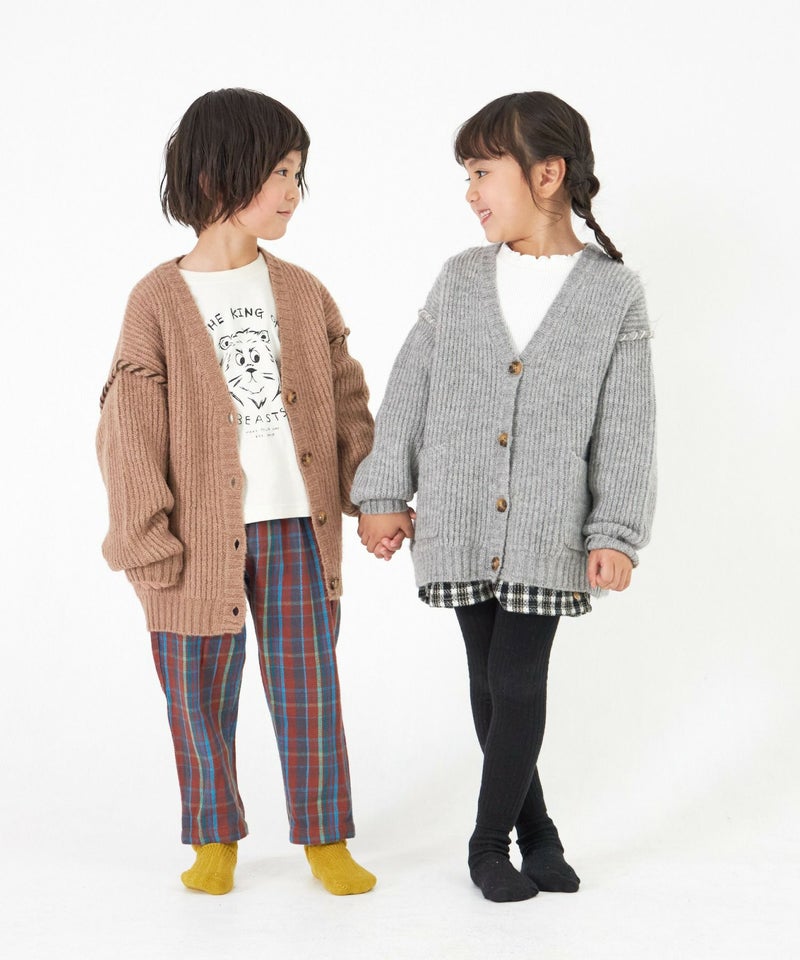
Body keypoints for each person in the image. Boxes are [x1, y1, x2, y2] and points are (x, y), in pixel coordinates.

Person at [352, 91, 656, 903]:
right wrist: (382, 491)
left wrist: (616, 531)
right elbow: (408, 389)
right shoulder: (460, 280)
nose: (470, 192)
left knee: (518, 679)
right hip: (455, 516)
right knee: (489, 682)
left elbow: (628, 424)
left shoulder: (613, 294)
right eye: (467, 175)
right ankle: (541, 834)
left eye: (482, 172)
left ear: (547, 175)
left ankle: (487, 845)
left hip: (550, 527)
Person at [96, 88, 376, 897]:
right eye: (279, 172)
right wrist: (144, 535)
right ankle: (213, 836)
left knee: (309, 686)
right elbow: (128, 428)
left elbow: (347, 399)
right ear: (218, 175)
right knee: (196, 692)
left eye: (298, 174)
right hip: (191, 538)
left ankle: (325, 836)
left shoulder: (303, 291)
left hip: (294, 526)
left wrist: (372, 493)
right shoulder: (157, 300)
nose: (294, 191)